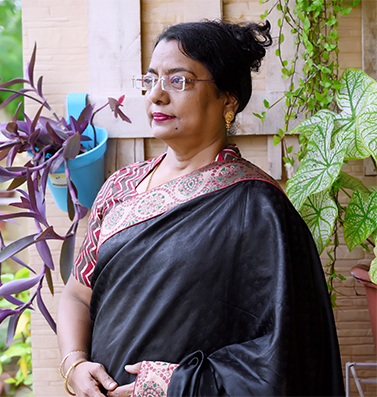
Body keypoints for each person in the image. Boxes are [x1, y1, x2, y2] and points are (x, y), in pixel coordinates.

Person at [57, 19, 345, 397]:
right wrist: (74, 363)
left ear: (228, 99)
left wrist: (173, 385)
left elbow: (289, 352)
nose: (157, 95)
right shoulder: (119, 188)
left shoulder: (259, 208)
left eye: (179, 81)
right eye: (150, 79)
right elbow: (78, 293)